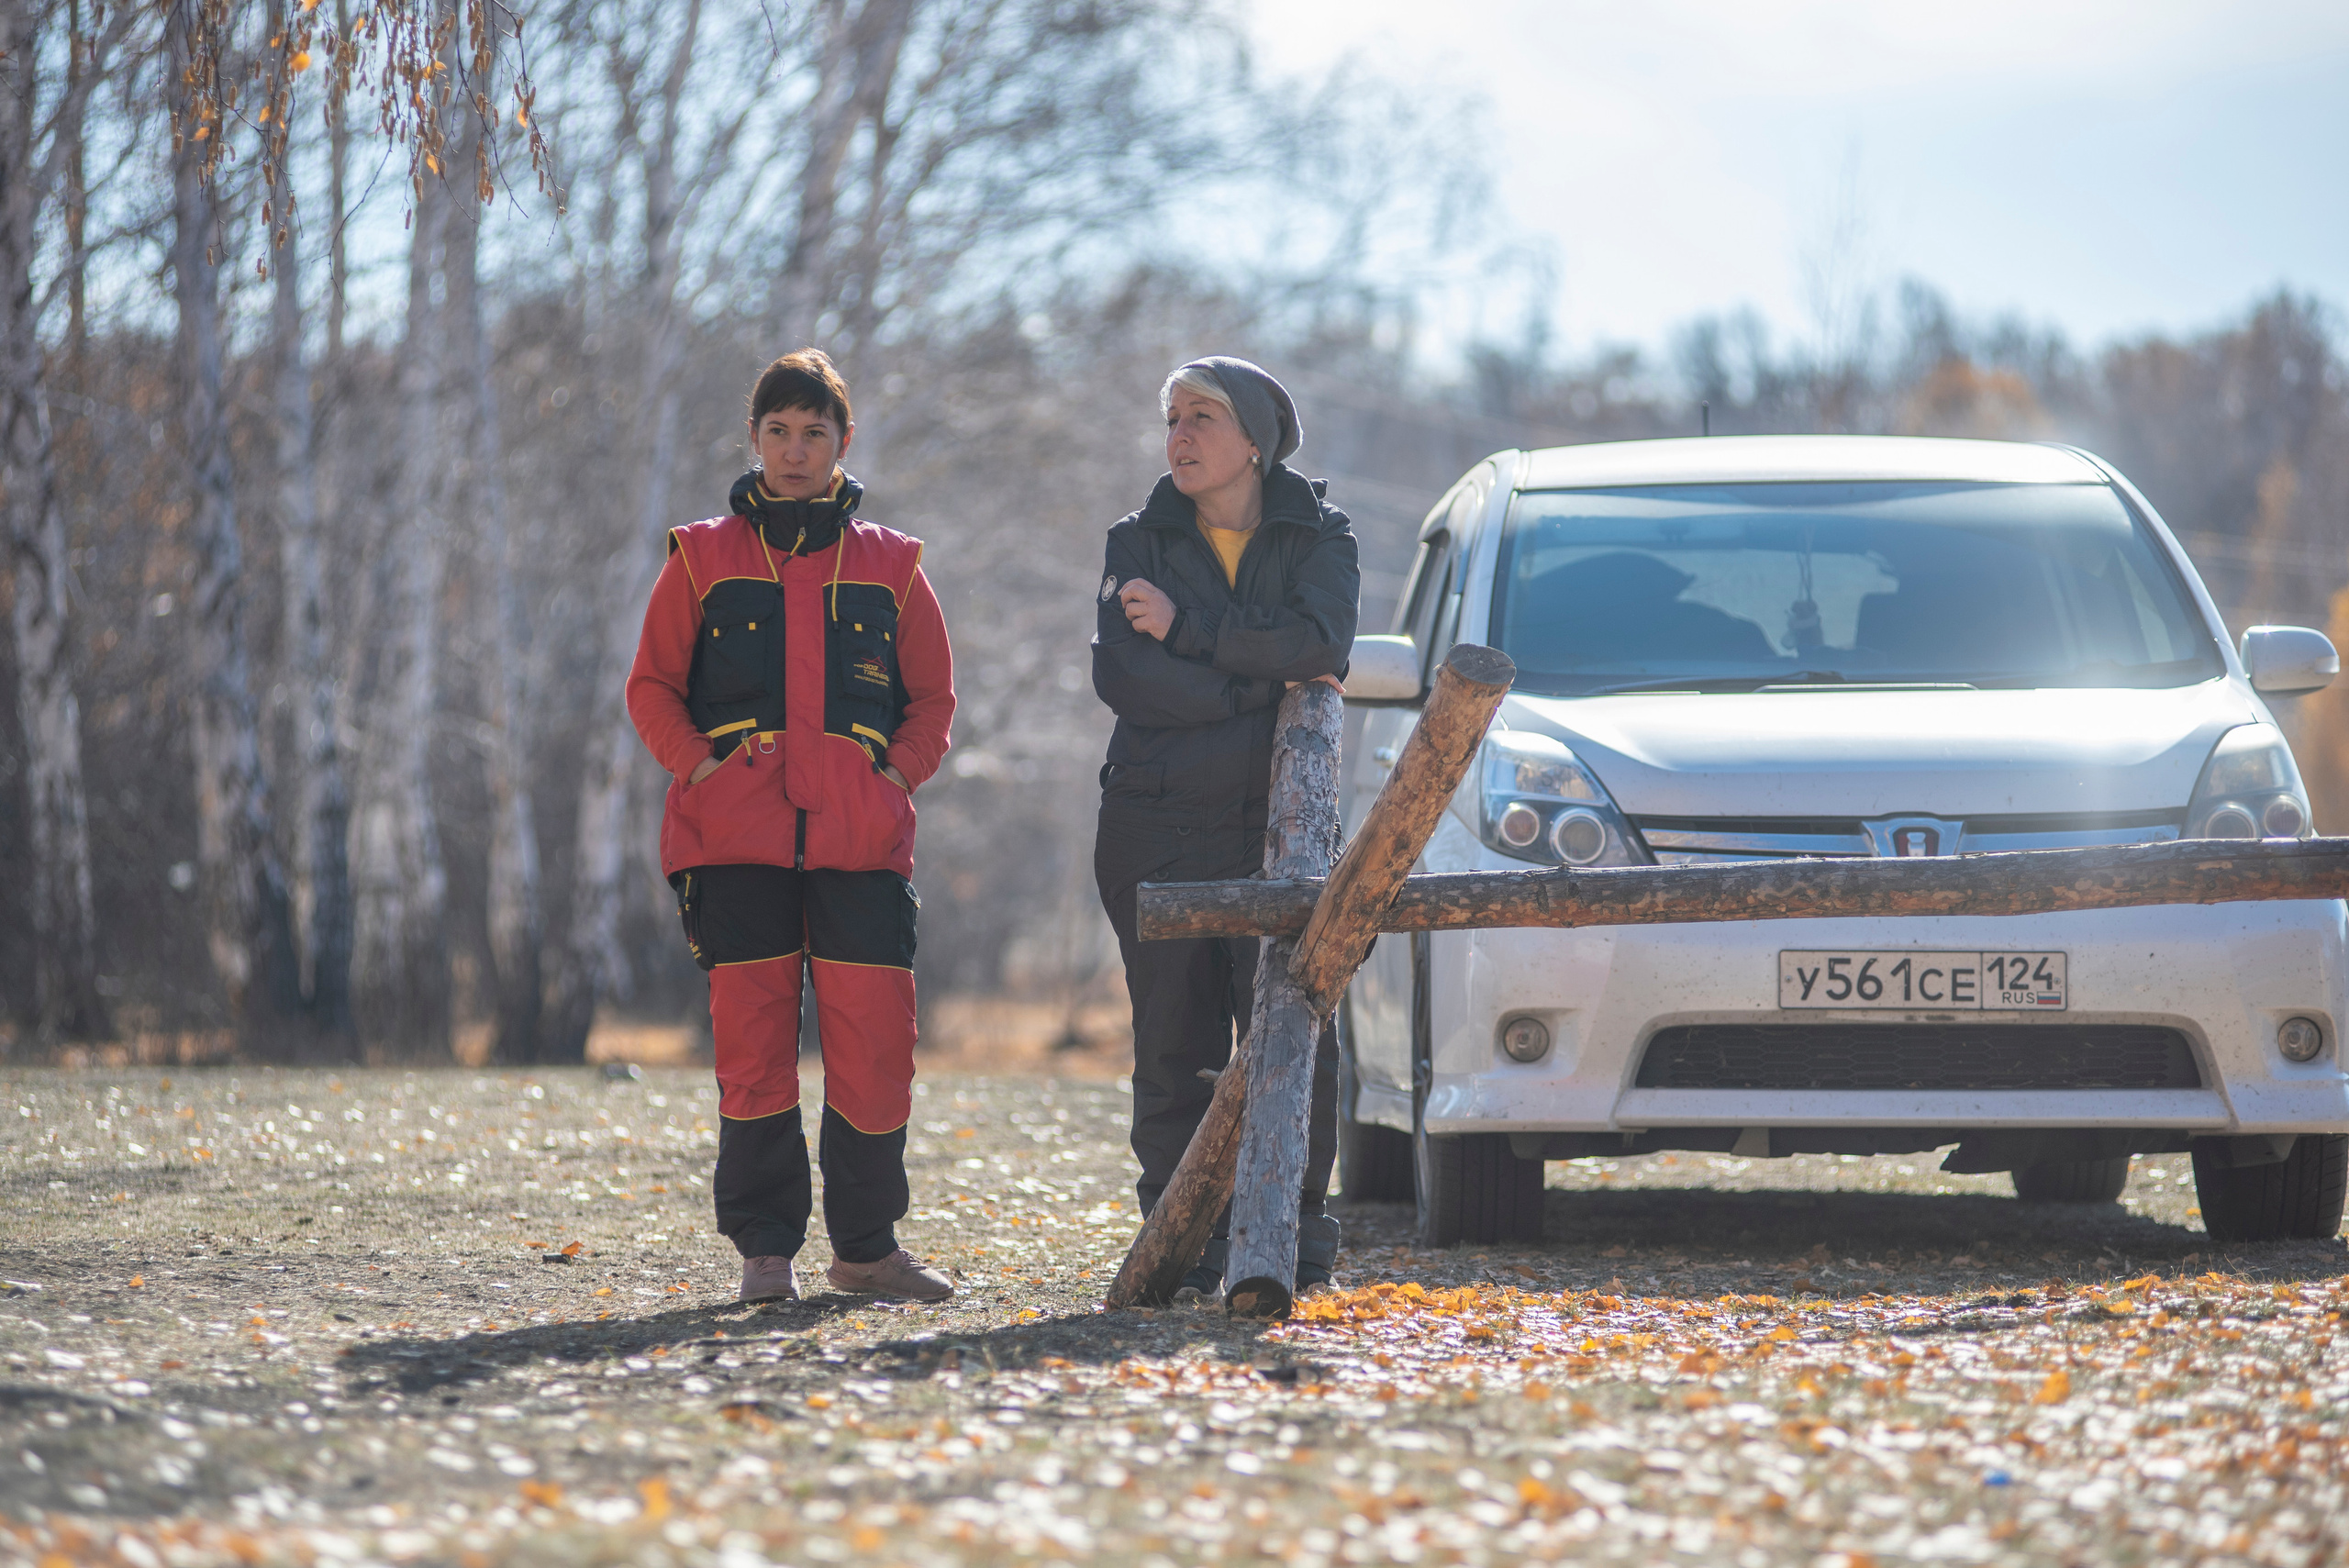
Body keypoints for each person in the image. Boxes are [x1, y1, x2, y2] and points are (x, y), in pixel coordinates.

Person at [627, 349, 956, 1304]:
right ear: (753, 438)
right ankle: (765, 1252)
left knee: (874, 1048)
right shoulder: (700, 558)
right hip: (733, 845)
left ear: (844, 442)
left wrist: (892, 776)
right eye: (778, 431)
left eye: (815, 432)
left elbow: (932, 699)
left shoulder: (895, 566)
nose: (795, 450)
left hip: (862, 842)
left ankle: (864, 1250)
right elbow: (651, 686)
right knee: (755, 1047)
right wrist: (702, 768)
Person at [1092, 356, 1361, 1298]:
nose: (1180, 434)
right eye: (1171, 415)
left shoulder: (1320, 536)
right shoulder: (1137, 539)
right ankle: (1177, 1241)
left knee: (1292, 1030)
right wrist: (1260, 675)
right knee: (1174, 1038)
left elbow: (1323, 645)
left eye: (1202, 415)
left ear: (1255, 438)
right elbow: (1126, 677)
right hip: (1152, 825)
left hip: (1277, 828)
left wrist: (1192, 630)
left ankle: (1293, 1236)